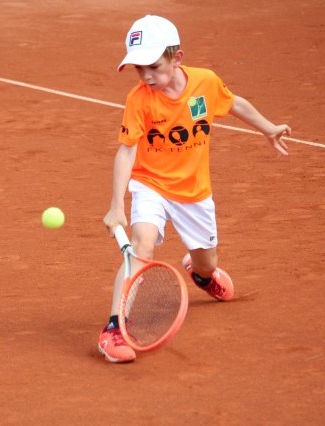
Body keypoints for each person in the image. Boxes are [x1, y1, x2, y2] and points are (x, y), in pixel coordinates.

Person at [98, 15, 291, 363]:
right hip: (151, 184)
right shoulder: (139, 100)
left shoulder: (205, 82)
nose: (146, 76)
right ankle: (114, 329)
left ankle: (200, 273)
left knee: (207, 264)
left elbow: (235, 103)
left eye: (153, 67)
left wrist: (268, 128)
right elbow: (126, 152)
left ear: (177, 58)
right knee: (141, 246)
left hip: (194, 192)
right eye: (138, 68)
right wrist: (116, 205)